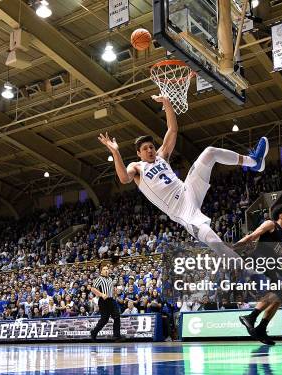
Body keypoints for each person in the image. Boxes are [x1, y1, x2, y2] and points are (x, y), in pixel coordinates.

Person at [97, 94, 268, 258]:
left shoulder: (161, 155)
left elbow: (172, 129)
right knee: (212, 239)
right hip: (180, 209)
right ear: (138, 153)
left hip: (187, 189)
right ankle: (244, 270)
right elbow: (124, 179)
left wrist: (166, 103)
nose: (150, 150)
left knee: (210, 152)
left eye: (151, 147)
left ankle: (254, 162)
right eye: (145, 149)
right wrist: (115, 152)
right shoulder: (137, 167)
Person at [236, 205, 282, 345]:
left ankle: (261, 328)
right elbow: (252, 236)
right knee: (276, 294)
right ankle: (250, 317)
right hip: (259, 260)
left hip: (270, 264)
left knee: (279, 299)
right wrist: (233, 246)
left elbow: (276, 258)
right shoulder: (270, 224)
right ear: (281, 215)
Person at [89, 263, 122, 341]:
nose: (106, 270)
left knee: (117, 316)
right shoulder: (99, 279)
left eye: (107, 269)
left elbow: (112, 289)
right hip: (103, 301)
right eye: (104, 269)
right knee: (104, 319)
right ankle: (94, 332)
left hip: (111, 300)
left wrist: (115, 292)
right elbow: (93, 289)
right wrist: (101, 294)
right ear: (101, 272)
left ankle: (116, 336)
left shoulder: (110, 279)